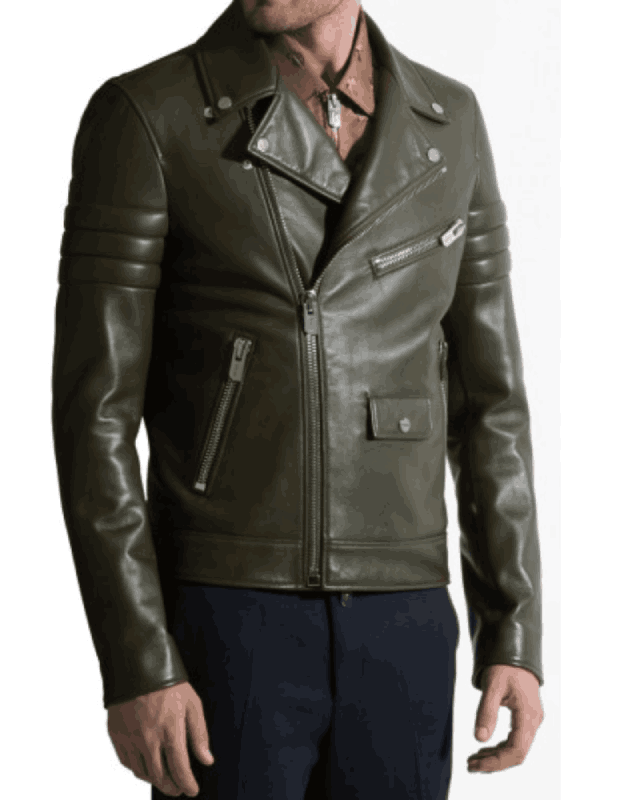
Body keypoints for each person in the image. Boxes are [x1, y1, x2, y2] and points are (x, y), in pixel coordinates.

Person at [51, 0, 544, 797]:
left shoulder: (450, 122)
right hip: (227, 610)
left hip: (405, 617)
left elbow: (492, 404)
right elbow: (93, 418)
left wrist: (513, 632)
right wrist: (138, 660)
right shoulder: (148, 114)